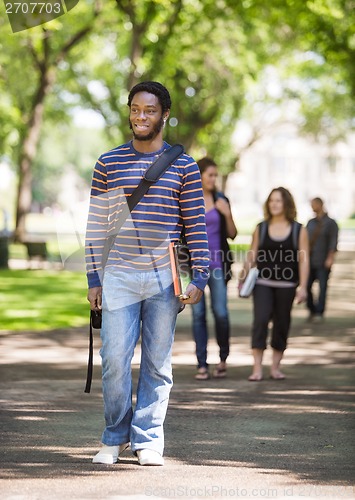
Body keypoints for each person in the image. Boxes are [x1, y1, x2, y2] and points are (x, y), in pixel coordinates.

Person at [85, 81, 209, 466]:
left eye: (150, 111)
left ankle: (149, 438)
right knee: (115, 360)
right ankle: (114, 436)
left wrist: (200, 277)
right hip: (119, 273)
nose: (141, 117)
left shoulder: (185, 166)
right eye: (136, 109)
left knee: (157, 361)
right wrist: (94, 279)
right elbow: (96, 227)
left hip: (163, 275)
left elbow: (196, 226)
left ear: (164, 116)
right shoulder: (108, 163)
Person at [239, 187, 309, 381]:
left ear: (286, 203)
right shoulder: (261, 228)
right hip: (263, 282)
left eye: (278, 201)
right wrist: (243, 276)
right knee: (260, 321)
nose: (274, 204)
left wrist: (303, 287)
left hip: (287, 286)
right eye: (271, 201)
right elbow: (252, 254)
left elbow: (304, 260)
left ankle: (275, 368)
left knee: (282, 324)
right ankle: (257, 369)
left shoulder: (298, 230)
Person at [191, 157, 237, 380]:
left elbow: (233, 233)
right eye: (210, 174)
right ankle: (202, 363)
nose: (213, 179)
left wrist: (226, 213)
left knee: (220, 312)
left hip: (218, 265)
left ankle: (222, 359)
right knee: (198, 314)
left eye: (215, 175)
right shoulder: (189, 199)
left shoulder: (221, 199)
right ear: (199, 175)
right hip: (195, 267)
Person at [306, 197, 339, 322]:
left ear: (320, 205)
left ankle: (319, 312)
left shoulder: (331, 223)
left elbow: (333, 242)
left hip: (323, 261)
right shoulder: (310, 222)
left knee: (323, 287)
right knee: (307, 286)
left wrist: (330, 258)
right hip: (310, 261)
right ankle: (312, 309)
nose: (312, 207)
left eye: (314, 204)